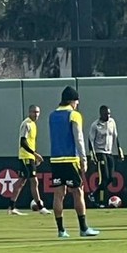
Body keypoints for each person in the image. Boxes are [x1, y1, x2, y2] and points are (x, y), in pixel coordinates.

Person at [48, 86, 99, 238]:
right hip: (70, 159)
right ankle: (83, 228)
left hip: (55, 159)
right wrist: (84, 158)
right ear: (72, 101)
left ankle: (61, 230)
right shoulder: (74, 115)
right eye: (76, 101)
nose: (77, 104)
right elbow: (79, 138)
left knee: (58, 194)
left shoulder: (52, 115)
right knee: (78, 192)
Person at [8, 105, 51, 216]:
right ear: (29, 112)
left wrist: (34, 156)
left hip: (29, 157)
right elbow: (23, 142)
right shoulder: (26, 124)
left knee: (21, 182)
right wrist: (35, 154)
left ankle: (11, 207)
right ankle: (40, 207)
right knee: (34, 181)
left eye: (37, 112)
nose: (36, 114)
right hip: (26, 157)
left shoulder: (33, 125)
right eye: (34, 112)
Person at [88, 105, 125, 207]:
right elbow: (90, 140)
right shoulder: (95, 125)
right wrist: (92, 154)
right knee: (104, 177)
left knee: (110, 178)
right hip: (100, 152)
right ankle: (100, 201)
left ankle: (93, 194)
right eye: (106, 114)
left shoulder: (112, 122)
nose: (108, 116)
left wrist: (119, 149)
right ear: (101, 114)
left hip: (109, 152)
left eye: (109, 113)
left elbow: (116, 136)